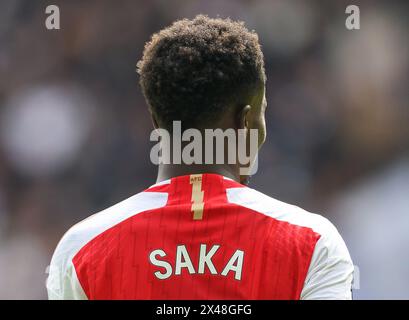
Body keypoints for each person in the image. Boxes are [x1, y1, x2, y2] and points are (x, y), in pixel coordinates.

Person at [47, 15, 353, 300]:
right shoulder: (310, 242)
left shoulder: (82, 249)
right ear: (246, 121)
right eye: (262, 114)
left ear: (156, 122)